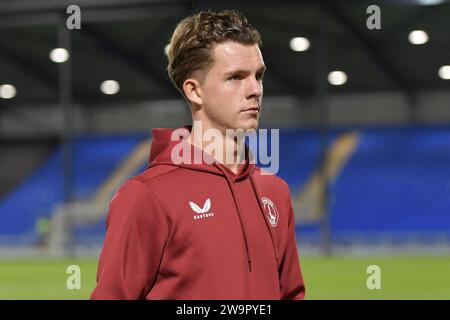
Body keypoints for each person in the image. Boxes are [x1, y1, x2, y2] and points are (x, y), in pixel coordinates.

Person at [91, 9, 305, 300]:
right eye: (236, 77)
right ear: (194, 91)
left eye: (258, 76)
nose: (255, 89)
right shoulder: (145, 196)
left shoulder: (276, 192)